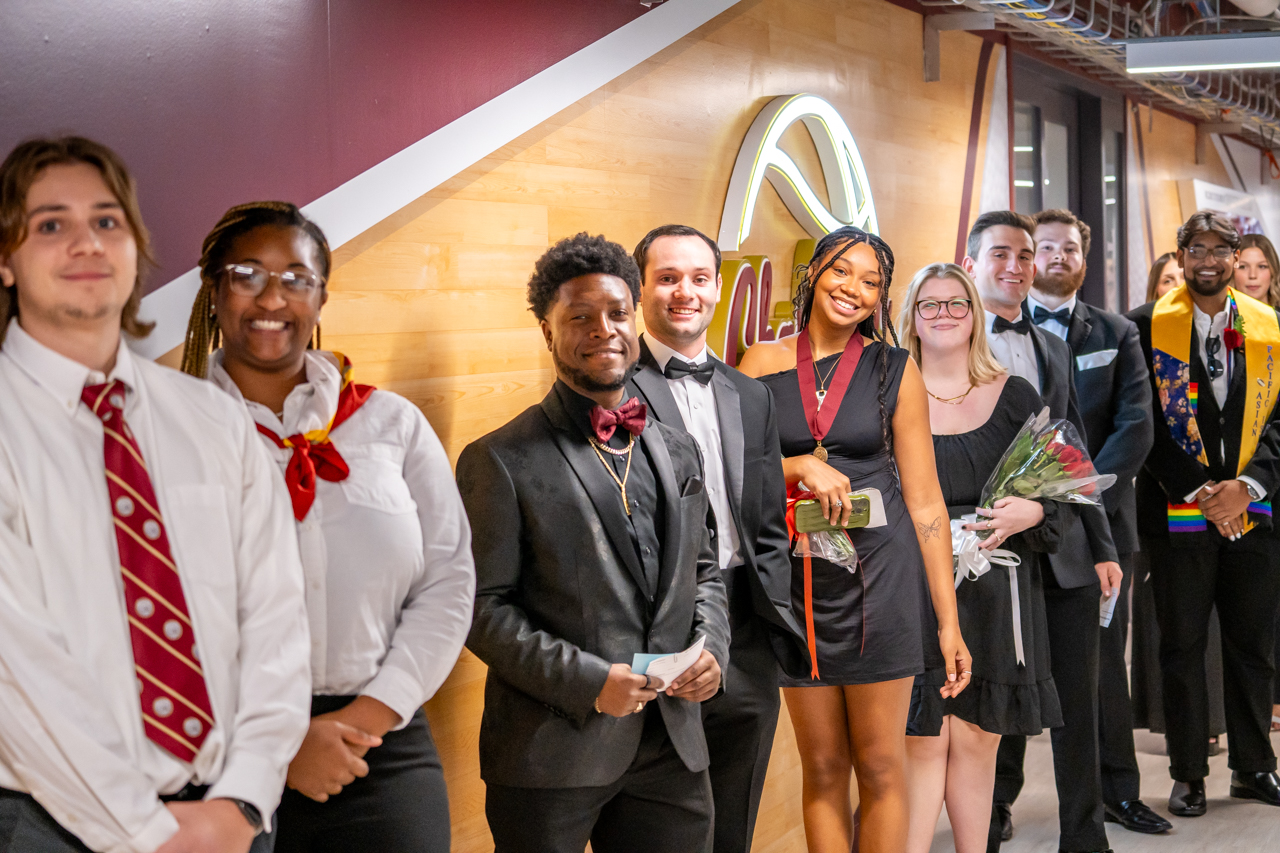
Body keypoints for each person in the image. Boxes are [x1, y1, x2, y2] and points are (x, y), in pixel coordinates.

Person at [0, 137, 311, 853]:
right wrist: (149, 833)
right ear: (6, 259)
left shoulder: (211, 418)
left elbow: (275, 619)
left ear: (136, 249)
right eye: (50, 223)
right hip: (48, 826)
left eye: (107, 221)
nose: (86, 241)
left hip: (230, 820)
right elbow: (20, 675)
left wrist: (244, 799)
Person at [178, 201, 475, 852]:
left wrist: (367, 719)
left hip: (375, 742)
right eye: (248, 273)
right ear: (214, 291)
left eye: (296, 278)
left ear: (320, 297)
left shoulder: (391, 423)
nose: (272, 297)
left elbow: (449, 581)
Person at [458, 232, 730, 853]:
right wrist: (589, 682)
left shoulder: (676, 444)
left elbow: (705, 568)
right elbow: (480, 608)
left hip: (673, 747)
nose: (604, 329)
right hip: (551, 754)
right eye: (579, 317)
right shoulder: (498, 460)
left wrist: (711, 647)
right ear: (548, 333)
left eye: (616, 313)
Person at [738, 226, 972, 853]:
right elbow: (732, 469)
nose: (854, 290)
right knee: (822, 768)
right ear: (813, 272)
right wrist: (797, 467)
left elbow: (925, 503)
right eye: (843, 272)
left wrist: (947, 623)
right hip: (797, 585)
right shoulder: (759, 363)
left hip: (883, 580)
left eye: (871, 282)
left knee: (880, 765)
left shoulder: (895, 368)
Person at [626, 224, 807, 853]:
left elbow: (762, 522)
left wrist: (774, 608)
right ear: (639, 288)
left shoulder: (750, 394)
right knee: (669, 824)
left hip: (749, 633)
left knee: (737, 820)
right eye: (668, 278)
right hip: (662, 627)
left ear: (718, 287)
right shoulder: (612, 391)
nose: (685, 293)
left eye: (700, 278)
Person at [961, 210, 1120, 853]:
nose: (1016, 267)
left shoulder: (1053, 347)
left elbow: (1073, 448)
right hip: (987, 552)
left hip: (1066, 551)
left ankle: (1086, 836)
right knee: (996, 703)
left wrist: (1104, 546)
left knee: (1078, 707)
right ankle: (990, 820)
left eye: (1025, 256)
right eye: (1001, 254)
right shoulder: (934, 345)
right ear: (971, 264)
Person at [897, 263, 1063, 853]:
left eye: (956, 304)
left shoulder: (1015, 394)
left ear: (975, 316)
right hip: (911, 588)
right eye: (930, 305)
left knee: (977, 736)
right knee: (918, 737)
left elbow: (1061, 491)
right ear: (911, 318)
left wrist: (1034, 513)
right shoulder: (886, 391)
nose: (944, 315)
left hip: (996, 590)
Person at [1126, 210, 1280, 817]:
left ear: (1237, 257)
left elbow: (1277, 421)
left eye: (1222, 249)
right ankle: (1189, 772)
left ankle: (1253, 767)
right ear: (1182, 254)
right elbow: (1142, 421)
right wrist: (1200, 488)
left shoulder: (1270, 328)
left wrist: (1248, 484)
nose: (1209, 259)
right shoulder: (1142, 329)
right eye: (1197, 248)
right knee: (1182, 643)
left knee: (1252, 643)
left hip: (1255, 512)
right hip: (1176, 510)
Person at [1027, 209, 1166, 835]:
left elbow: (1136, 425)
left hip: (1102, 527)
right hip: (1016, 530)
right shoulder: (996, 332)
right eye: (1045, 247)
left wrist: (1079, 498)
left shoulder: (1116, 330)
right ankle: (1000, 800)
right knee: (1012, 661)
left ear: (1085, 257)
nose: (1058, 257)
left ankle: (1120, 793)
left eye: (1069, 248)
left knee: (1103, 668)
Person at [1235, 234, 1280, 307]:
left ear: (1273, 271)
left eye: (1262, 266)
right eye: (1243, 267)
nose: (1252, 275)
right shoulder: (1219, 316)